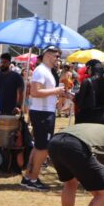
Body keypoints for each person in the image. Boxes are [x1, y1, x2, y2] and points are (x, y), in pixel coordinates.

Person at [22, 46, 65, 191]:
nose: (58, 59)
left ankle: (29, 177)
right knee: (43, 148)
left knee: (39, 146)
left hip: (44, 112)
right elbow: (35, 92)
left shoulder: (46, 70)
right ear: (47, 55)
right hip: (43, 113)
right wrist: (56, 90)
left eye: (59, 56)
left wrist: (58, 93)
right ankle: (33, 179)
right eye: (56, 56)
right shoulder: (41, 70)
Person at [75, 60, 104, 125]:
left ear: (90, 68)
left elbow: (80, 102)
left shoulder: (87, 81)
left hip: (87, 117)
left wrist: (75, 96)